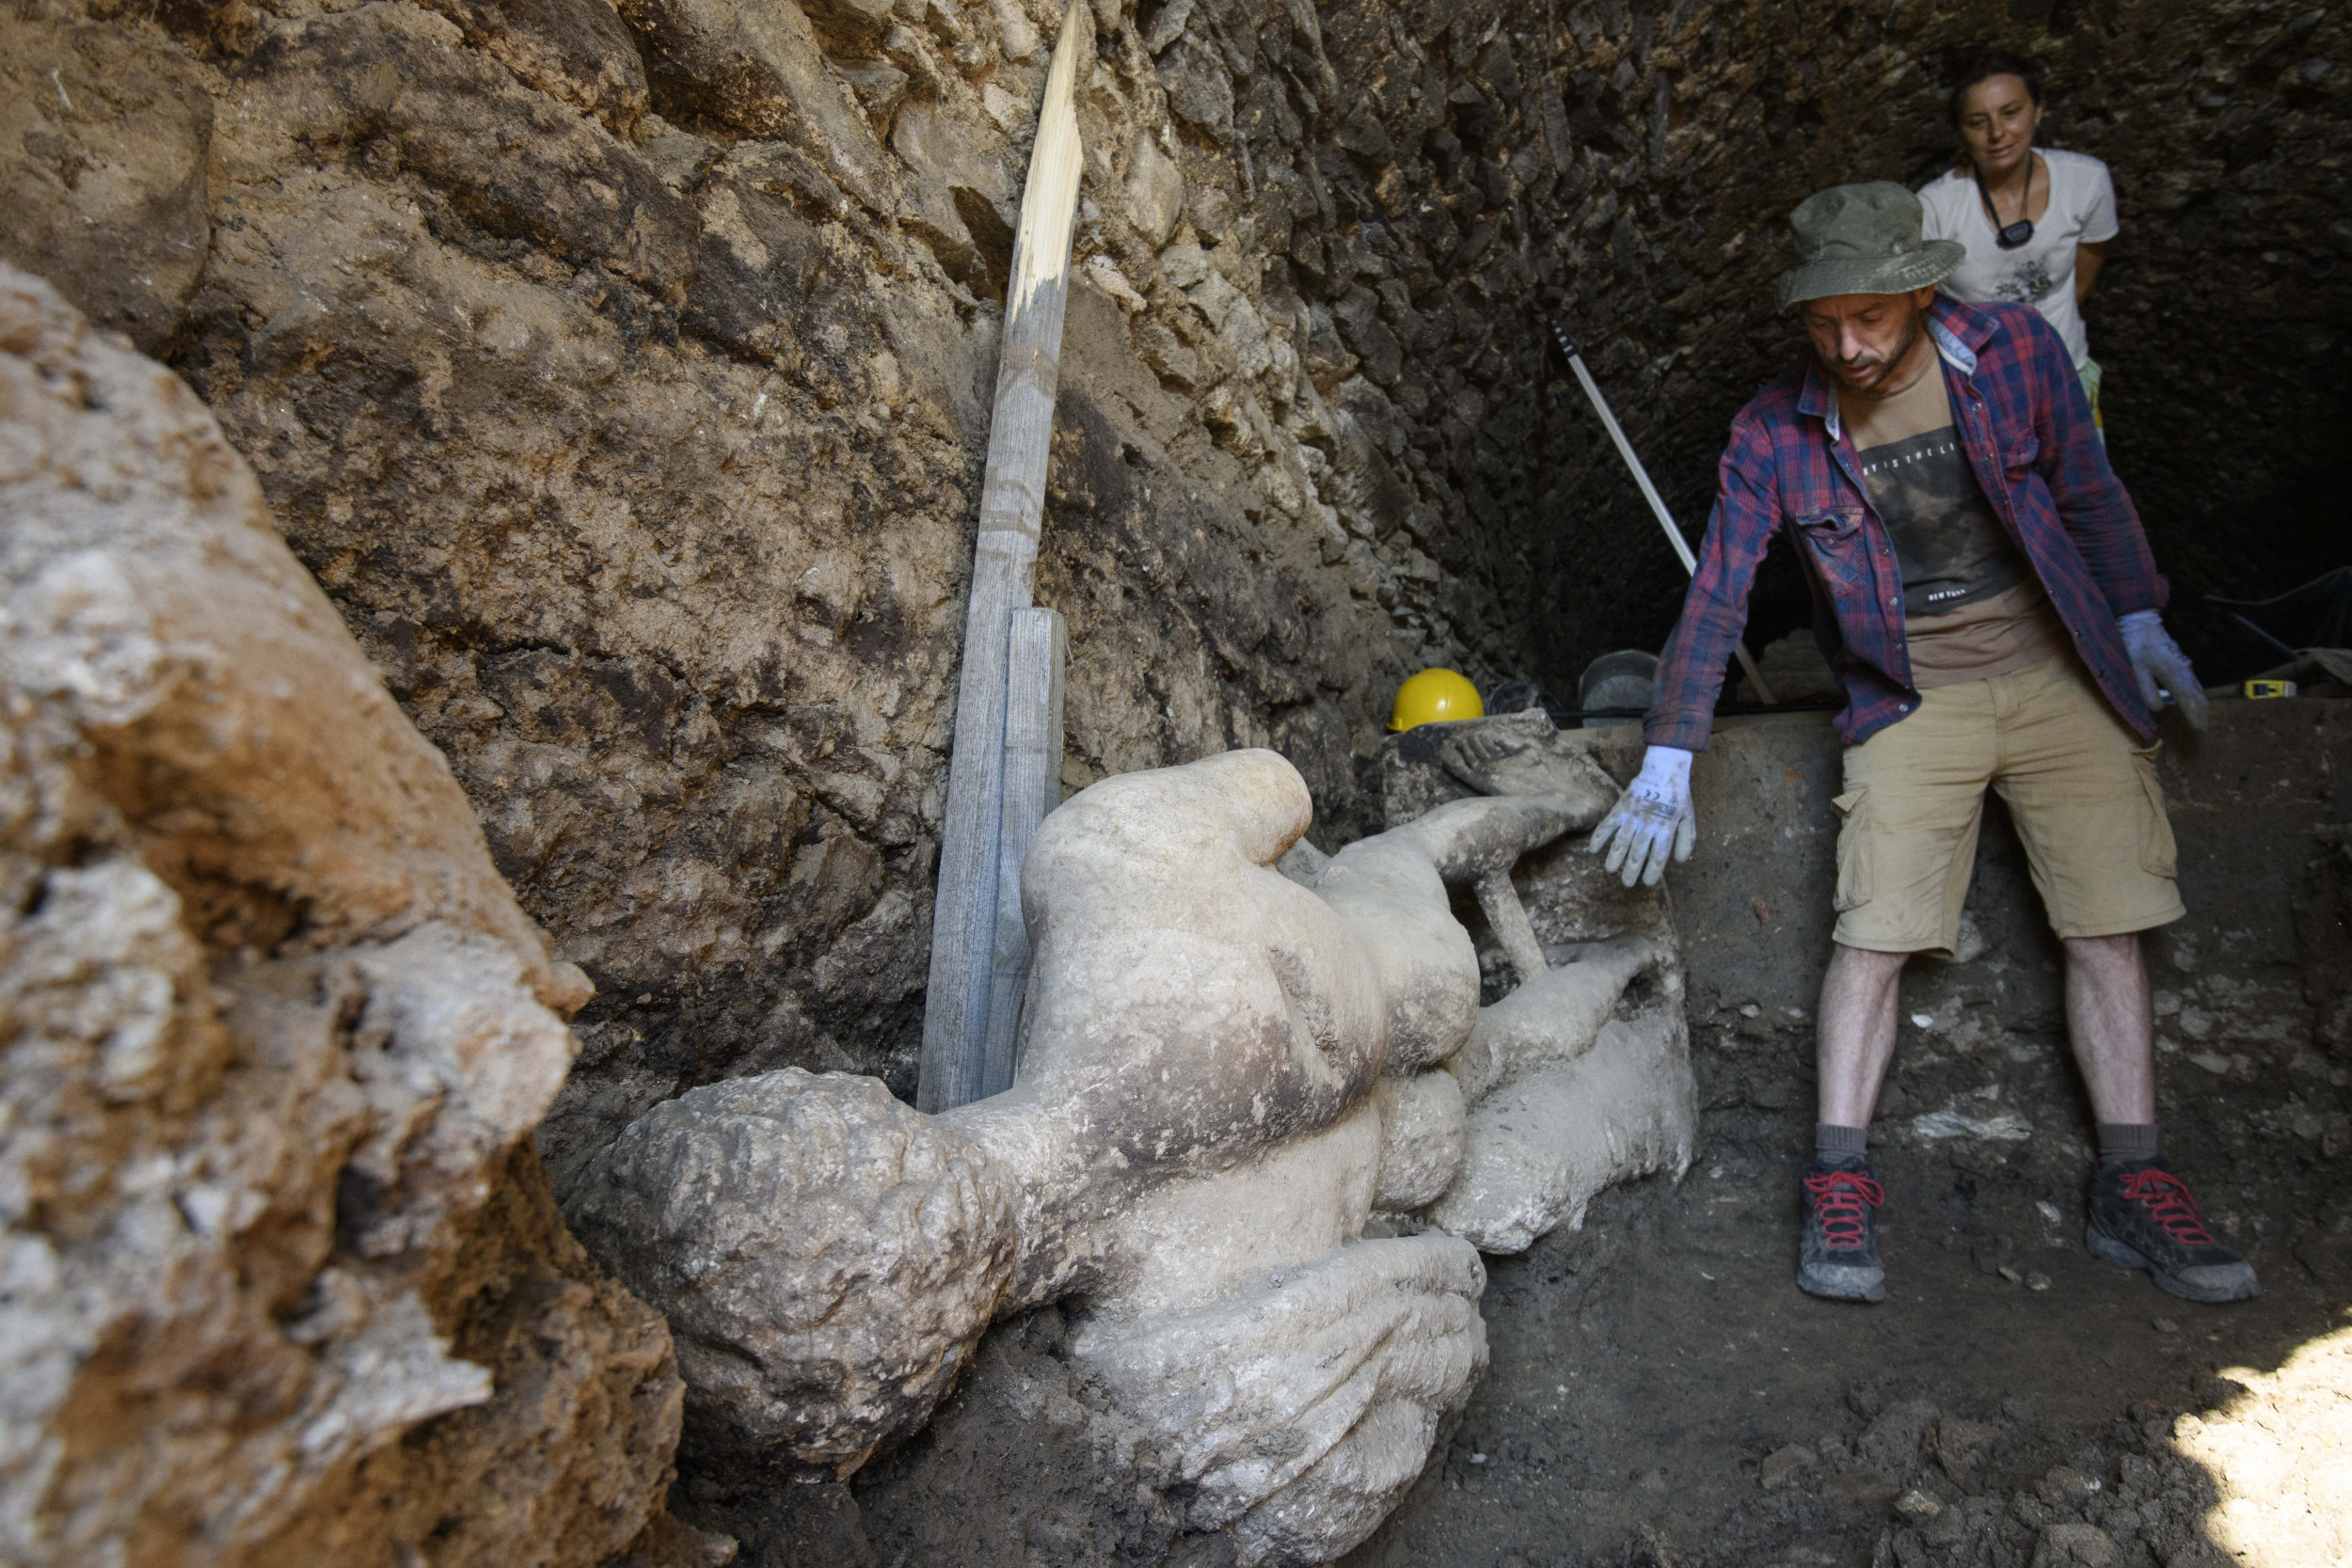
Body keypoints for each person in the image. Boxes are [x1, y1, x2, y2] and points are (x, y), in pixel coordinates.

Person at [1587, 182, 2257, 1307]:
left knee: (2107, 925)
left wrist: (2135, 610)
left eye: (1869, 318)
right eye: (1821, 322)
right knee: (1873, 931)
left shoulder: (2011, 352)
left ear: (1917, 289)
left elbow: (2089, 489)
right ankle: (1838, 1180)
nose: (1844, 346)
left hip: (2056, 672)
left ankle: (2132, 1183)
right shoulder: (1773, 430)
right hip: (1910, 695)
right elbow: (1718, 591)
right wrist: (1671, 749)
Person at [1918, 50, 2118, 432]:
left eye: (2011, 113)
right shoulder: (1936, 207)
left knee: (2083, 487)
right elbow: (1922, 308)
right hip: (1980, 386)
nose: (1997, 133)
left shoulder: (2085, 181)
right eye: (1978, 122)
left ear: (2038, 109)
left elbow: (2084, 279)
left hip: (2065, 370)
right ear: (1960, 129)